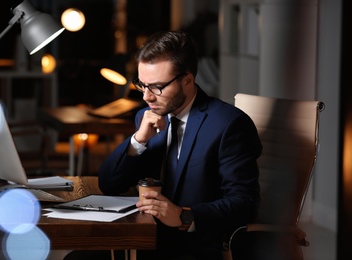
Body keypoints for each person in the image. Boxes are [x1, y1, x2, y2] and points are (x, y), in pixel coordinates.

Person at [98, 30, 262, 259]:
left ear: (187, 80)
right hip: (148, 241)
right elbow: (109, 184)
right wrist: (138, 141)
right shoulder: (146, 118)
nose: (147, 96)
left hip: (196, 248)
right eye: (142, 85)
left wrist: (185, 216)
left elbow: (246, 203)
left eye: (156, 87)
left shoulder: (230, 125)